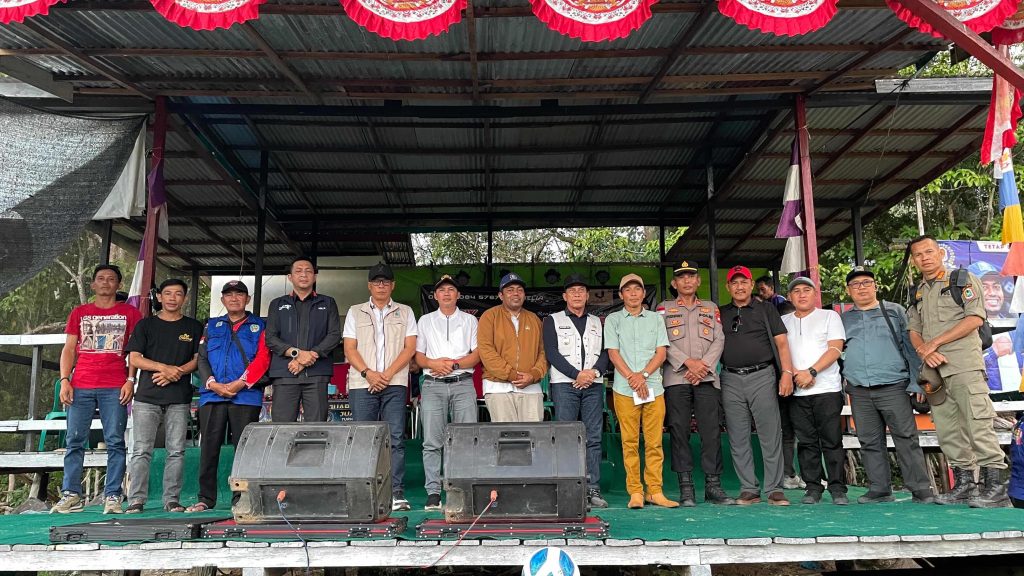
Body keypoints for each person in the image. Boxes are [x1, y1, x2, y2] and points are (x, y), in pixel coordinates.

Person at [908, 235, 1009, 508]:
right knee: (947, 428)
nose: (925, 258)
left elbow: (974, 319)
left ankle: (995, 488)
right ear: (914, 260)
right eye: (918, 254)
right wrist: (925, 352)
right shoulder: (918, 291)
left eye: (929, 251)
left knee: (977, 423)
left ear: (940, 253)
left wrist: (934, 344)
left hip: (964, 364)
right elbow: (913, 330)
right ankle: (965, 486)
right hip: (934, 370)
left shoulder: (962, 280)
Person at [51, 265, 142, 514]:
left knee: (115, 441)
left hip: (115, 384)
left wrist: (130, 380)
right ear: (93, 284)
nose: (105, 283)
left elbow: (135, 351)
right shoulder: (80, 312)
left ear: (118, 284)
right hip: (81, 384)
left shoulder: (130, 313)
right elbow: (69, 349)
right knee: (74, 440)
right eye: (100, 279)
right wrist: (65, 380)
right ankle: (71, 494)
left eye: (111, 279)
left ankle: (112, 495)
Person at [841, 267, 936, 505]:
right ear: (848, 291)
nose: (861, 288)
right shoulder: (844, 319)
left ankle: (920, 489)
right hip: (859, 389)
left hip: (894, 386)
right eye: (855, 284)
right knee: (869, 441)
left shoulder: (894, 311)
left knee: (906, 438)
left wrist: (917, 382)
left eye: (866, 282)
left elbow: (911, 347)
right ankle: (880, 489)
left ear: (875, 286)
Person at [188, 280, 270, 513]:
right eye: (229, 295)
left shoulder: (260, 325)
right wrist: (212, 383)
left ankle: (242, 499)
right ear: (222, 299)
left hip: (246, 395)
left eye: (239, 294)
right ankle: (206, 498)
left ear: (248, 299)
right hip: (212, 395)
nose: (234, 298)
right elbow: (202, 358)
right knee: (209, 448)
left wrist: (239, 383)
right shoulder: (211, 326)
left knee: (244, 450)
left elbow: (263, 358)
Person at [123, 279, 203, 514]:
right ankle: (136, 500)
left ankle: (172, 500)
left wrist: (176, 373)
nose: (172, 298)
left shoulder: (194, 326)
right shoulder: (145, 325)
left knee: (176, 450)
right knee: (141, 450)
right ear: (159, 297)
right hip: (147, 397)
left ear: (185, 298)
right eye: (168, 293)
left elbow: (198, 360)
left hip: (179, 397)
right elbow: (135, 358)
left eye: (178, 294)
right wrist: (163, 368)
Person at [344, 262, 418, 511]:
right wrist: (369, 374)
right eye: (377, 282)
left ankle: (396, 492)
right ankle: (365, 494)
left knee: (395, 438)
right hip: (362, 383)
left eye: (386, 282)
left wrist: (386, 374)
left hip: (394, 382)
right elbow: (349, 348)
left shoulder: (405, 312)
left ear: (393, 285)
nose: (381, 285)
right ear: (369, 285)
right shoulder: (355, 311)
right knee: (364, 438)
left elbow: (410, 348)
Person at [658, 261, 733, 507]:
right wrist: (689, 363)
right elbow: (662, 341)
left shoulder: (710, 308)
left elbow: (719, 339)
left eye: (691, 276)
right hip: (676, 377)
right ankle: (686, 488)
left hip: (707, 377)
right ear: (674, 283)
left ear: (698, 281)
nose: (687, 281)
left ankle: (713, 486)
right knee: (679, 431)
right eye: (682, 277)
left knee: (711, 431)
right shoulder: (664, 309)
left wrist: (704, 366)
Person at [719, 265, 795, 506]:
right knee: (738, 435)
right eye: (734, 282)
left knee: (770, 434)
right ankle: (749, 489)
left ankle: (774, 489)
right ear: (728, 287)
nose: (739, 287)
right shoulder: (721, 313)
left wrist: (787, 374)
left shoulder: (766, 309)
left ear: (751, 285)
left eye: (744, 282)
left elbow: (782, 344)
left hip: (762, 375)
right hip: (730, 378)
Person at [605, 273, 678, 509]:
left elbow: (661, 353)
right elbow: (613, 353)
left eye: (637, 289)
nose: (633, 293)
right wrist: (632, 377)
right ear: (621, 295)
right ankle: (635, 491)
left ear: (644, 293)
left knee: (654, 442)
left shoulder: (655, 319)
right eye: (628, 290)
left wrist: (643, 376)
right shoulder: (613, 320)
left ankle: (655, 491)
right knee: (630, 442)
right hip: (624, 389)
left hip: (653, 387)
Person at [543, 274, 611, 509]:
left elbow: (606, 352)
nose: (577, 294)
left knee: (593, 436)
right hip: (564, 385)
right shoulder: (552, 320)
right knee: (566, 437)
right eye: (572, 291)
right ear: (565, 296)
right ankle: (567, 488)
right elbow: (551, 353)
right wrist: (576, 374)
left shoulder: (597, 322)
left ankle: (592, 488)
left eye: (581, 290)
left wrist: (593, 373)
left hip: (593, 384)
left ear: (587, 295)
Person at [780, 277, 847, 505]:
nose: (801, 294)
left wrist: (811, 372)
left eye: (806, 290)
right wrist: (795, 374)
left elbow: (835, 348)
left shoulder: (829, 316)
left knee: (832, 440)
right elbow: (780, 352)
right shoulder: (783, 321)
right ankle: (813, 487)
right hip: (797, 391)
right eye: (796, 291)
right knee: (806, 442)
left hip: (827, 388)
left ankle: (837, 488)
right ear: (790, 297)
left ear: (815, 293)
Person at [415, 274, 479, 512]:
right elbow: (418, 356)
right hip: (433, 384)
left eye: (451, 290)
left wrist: (453, 365)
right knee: (432, 441)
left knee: (465, 439)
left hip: (463, 383)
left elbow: (477, 355)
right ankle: (433, 492)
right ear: (435, 296)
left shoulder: (470, 320)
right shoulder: (425, 320)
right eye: (442, 290)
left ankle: (460, 489)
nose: (446, 293)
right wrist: (434, 363)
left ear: (458, 295)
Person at [265, 256, 341, 423]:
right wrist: (297, 354)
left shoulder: (327, 303)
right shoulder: (277, 304)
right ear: (290, 277)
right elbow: (270, 338)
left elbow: (334, 335)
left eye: (308, 271)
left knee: (316, 428)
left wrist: (310, 356)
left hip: (317, 375)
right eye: (298, 271)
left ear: (315, 276)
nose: (304, 275)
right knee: (282, 428)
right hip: (285, 374)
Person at [478, 273, 548, 422]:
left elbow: (543, 352)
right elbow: (486, 351)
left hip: (531, 388)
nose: (515, 293)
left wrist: (533, 374)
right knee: (506, 434)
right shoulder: (489, 316)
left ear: (524, 295)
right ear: (501, 295)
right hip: (498, 388)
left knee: (534, 434)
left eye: (519, 290)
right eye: (510, 290)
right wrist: (512, 375)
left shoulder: (534, 319)